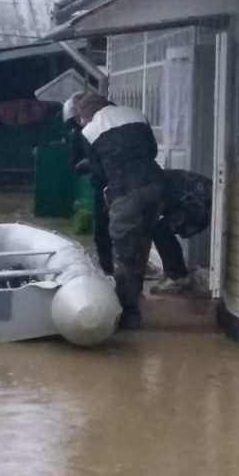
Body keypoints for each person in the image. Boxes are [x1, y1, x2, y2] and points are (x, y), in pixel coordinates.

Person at [76, 92, 164, 329]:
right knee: (143, 241)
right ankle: (134, 297)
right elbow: (152, 151)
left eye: (81, 117)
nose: (81, 123)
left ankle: (128, 314)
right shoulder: (137, 115)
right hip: (156, 185)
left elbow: (98, 171)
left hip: (126, 192)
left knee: (124, 251)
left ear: (88, 114)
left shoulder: (90, 130)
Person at [63, 92, 113, 274]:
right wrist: (89, 164)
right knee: (102, 231)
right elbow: (74, 165)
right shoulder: (78, 135)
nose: (81, 121)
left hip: (123, 183)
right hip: (102, 186)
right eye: (78, 118)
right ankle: (108, 270)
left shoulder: (110, 128)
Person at [149, 169, 212, 292]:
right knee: (162, 230)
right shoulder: (143, 178)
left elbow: (142, 227)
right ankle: (177, 274)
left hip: (199, 199)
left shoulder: (139, 189)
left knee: (160, 231)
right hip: (202, 194)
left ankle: (176, 277)